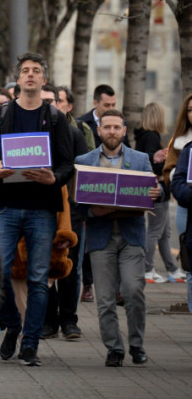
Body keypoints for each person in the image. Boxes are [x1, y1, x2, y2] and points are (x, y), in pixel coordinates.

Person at [0, 52, 74, 367]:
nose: (30, 75)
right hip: (5, 208)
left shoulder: (57, 118)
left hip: (42, 210)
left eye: (36, 71)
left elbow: (66, 164)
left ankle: (30, 344)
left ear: (43, 79)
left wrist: (53, 177)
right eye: (25, 71)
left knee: (37, 278)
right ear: (17, 79)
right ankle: (13, 323)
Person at [76, 109, 158, 367]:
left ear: (124, 131)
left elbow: (157, 189)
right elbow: (75, 202)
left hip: (131, 236)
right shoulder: (84, 161)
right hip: (100, 238)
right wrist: (91, 210)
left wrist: (159, 191)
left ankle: (137, 344)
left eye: (116, 127)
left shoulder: (141, 159)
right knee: (105, 299)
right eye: (107, 127)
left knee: (134, 292)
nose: (111, 131)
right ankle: (114, 349)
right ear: (98, 130)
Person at [40, 84, 90, 341]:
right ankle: (48, 321)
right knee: (44, 266)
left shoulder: (72, 133)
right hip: (40, 210)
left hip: (71, 211)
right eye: (45, 100)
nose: (50, 105)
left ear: (64, 105)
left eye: (54, 100)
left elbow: (83, 172)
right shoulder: (30, 133)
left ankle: (69, 320)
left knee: (70, 268)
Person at [134, 102, 183, 283]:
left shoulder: (142, 136)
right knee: (155, 231)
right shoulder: (152, 137)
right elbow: (151, 165)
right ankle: (147, 268)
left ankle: (172, 269)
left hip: (152, 189)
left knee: (164, 233)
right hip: (157, 189)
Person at [162, 93, 192, 312]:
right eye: (190, 109)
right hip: (186, 208)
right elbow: (172, 176)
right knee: (190, 265)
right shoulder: (181, 142)